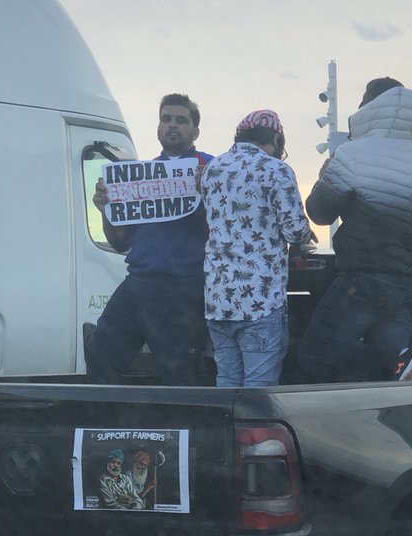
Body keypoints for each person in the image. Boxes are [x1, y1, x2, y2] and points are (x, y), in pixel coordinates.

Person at [298, 77, 412, 383]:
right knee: (391, 381)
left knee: (316, 353)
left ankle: (398, 360)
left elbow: (319, 213)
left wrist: (325, 175)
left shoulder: (352, 154)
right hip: (410, 282)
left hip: (362, 278)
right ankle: (401, 359)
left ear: (372, 106)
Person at [86, 94, 213, 385]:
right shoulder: (136, 176)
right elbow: (120, 242)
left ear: (195, 131)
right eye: (166, 118)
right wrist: (107, 209)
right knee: (100, 353)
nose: (172, 125)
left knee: (178, 371)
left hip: (185, 287)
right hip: (139, 282)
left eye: (182, 120)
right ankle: (109, 423)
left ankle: (182, 428)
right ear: (158, 126)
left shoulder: (212, 169)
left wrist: (212, 188)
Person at [200, 110, 313, 387]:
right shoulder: (276, 170)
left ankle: (226, 431)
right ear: (276, 138)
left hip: (218, 301)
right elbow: (295, 230)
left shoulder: (213, 169)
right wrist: (305, 230)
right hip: (260, 302)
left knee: (226, 382)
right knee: (258, 388)